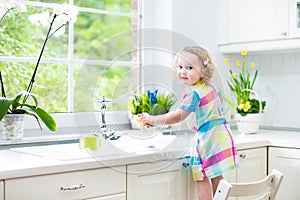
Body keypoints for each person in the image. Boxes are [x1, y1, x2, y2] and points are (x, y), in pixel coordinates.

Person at [137, 46, 239, 200]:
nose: (183, 71)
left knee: (202, 176)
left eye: (189, 68)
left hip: (207, 139)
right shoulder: (211, 88)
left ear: (203, 71)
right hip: (222, 135)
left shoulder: (194, 95)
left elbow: (177, 117)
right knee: (217, 174)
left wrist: (152, 119)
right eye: (180, 67)